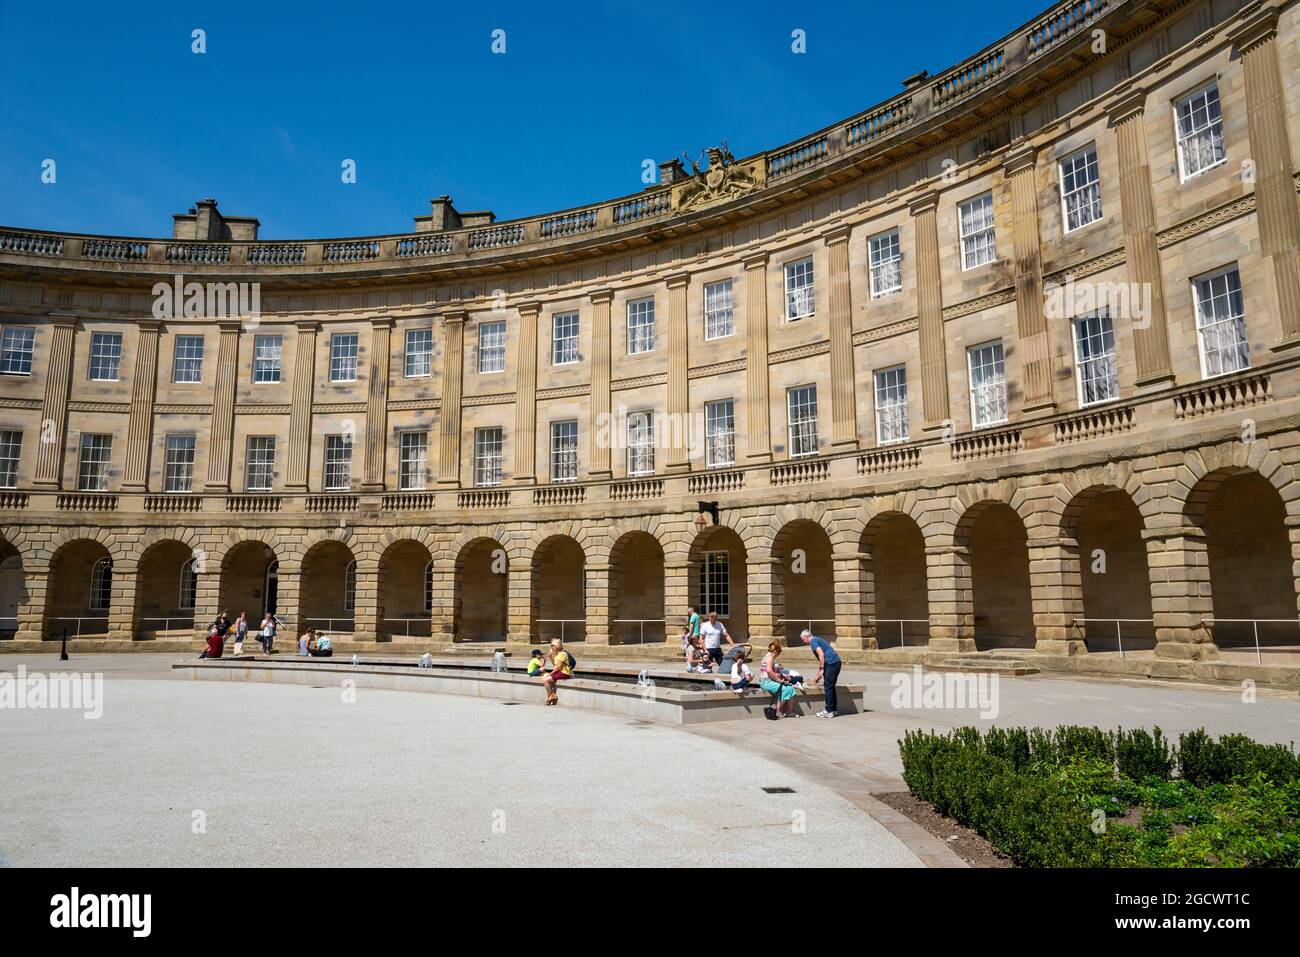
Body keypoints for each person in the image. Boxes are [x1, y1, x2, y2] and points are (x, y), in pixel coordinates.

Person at [801, 629, 841, 718]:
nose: (803, 641)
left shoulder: (813, 641)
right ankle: (833, 710)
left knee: (828, 687)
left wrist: (822, 669)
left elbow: (821, 654)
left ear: (806, 637)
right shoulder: (817, 639)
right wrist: (820, 673)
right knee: (831, 687)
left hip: (830, 663)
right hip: (836, 662)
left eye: (803, 639)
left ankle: (829, 711)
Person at [759, 641, 798, 718]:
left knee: (791, 688)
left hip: (766, 681)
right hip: (766, 682)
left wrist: (781, 675)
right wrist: (779, 680)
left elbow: (768, 671)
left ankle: (789, 712)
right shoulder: (770, 658)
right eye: (778, 654)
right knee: (786, 689)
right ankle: (777, 711)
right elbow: (769, 671)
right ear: (776, 652)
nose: (777, 656)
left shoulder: (767, 656)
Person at [541, 638, 572, 705]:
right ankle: (552, 696)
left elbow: (558, 667)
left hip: (564, 673)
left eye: (552, 645)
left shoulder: (562, 654)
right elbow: (555, 665)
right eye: (551, 645)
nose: (551, 647)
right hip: (560, 672)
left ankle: (550, 696)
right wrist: (550, 657)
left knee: (545, 679)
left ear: (557, 646)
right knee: (547, 679)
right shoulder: (558, 654)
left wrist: (550, 673)